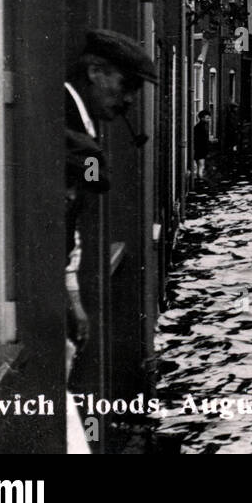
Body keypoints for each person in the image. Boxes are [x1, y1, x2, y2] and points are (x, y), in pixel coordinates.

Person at [64, 28, 157, 453]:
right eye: (127, 84)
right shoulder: (68, 125)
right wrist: (92, 164)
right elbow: (91, 180)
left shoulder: (82, 127)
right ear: (96, 71)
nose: (130, 100)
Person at [193, 109, 212, 179]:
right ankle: (200, 178)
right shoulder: (199, 127)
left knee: (200, 165)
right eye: (207, 118)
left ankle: (199, 177)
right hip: (200, 149)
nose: (209, 120)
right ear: (202, 118)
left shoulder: (203, 126)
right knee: (201, 165)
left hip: (201, 148)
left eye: (209, 118)